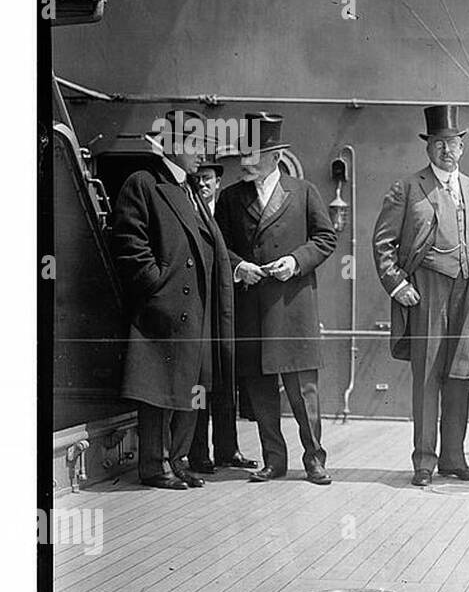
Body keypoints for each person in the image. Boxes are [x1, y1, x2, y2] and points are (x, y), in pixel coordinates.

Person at [372, 103, 469, 486]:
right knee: (428, 378)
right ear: (428, 148)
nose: (447, 150)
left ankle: (454, 458)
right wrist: (398, 284)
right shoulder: (408, 188)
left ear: (462, 147)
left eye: (453, 143)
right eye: (439, 143)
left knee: (460, 377)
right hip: (428, 292)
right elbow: (383, 244)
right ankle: (424, 463)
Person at [109, 121, 234, 490]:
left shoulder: (189, 188)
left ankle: (177, 460)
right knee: (159, 389)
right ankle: (155, 465)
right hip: (165, 307)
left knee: (190, 386)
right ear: (175, 144)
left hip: (196, 307)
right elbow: (129, 243)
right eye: (197, 145)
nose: (202, 154)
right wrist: (156, 286)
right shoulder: (145, 182)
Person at [215, 113, 337, 485]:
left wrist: (295, 261)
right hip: (252, 307)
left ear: (275, 157)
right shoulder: (231, 198)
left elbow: (325, 239)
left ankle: (314, 459)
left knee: (304, 392)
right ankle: (274, 459)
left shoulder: (303, 192)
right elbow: (220, 248)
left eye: (252, 156)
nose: (244, 163)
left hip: (292, 306)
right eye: (242, 157)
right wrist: (239, 268)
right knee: (260, 390)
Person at [186, 141, 256, 473]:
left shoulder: (227, 208)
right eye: (198, 178)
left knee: (227, 382)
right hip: (200, 309)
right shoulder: (187, 208)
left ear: (217, 182)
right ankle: (199, 453)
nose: (202, 183)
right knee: (201, 383)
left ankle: (228, 450)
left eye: (208, 179)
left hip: (228, 309)